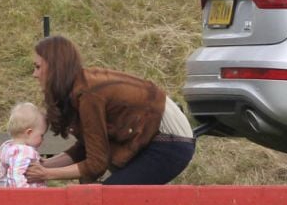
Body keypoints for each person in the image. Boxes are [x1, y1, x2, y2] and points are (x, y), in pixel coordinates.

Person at [25, 35, 195, 185]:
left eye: (38, 67)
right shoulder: (81, 87)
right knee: (107, 198)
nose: (34, 74)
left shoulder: (88, 94)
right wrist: (43, 165)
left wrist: (46, 174)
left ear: (55, 67)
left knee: (108, 200)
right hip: (156, 138)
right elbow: (86, 148)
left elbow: (96, 163)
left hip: (169, 142)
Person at [0, 102, 48, 188]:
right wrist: (25, 196)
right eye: (41, 135)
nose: (43, 139)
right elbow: (16, 177)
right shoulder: (25, 151)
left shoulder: (7, 147)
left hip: (7, 193)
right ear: (29, 132)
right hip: (30, 196)